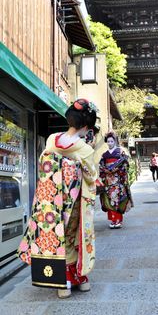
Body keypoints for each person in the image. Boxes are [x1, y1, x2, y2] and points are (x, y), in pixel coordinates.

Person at [17, 99, 97, 299]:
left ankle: (62, 283)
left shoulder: (52, 140)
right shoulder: (85, 149)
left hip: (50, 201)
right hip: (73, 201)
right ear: (86, 127)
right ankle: (74, 280)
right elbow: (91, 176)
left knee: (54, 236)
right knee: (71, 237)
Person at [99, 131, 133, 229]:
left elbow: (125, 164)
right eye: (108, 142)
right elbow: (101, 166)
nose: (109, 143)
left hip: (118, 179)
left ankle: (118, 219)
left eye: (111, 141)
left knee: (117, 199)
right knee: (109, 200)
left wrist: (117, 169)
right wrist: (106, 170)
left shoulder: (120, 152)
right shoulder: (104, 154)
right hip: (108, 180)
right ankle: (113, 219)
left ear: (115, 142)